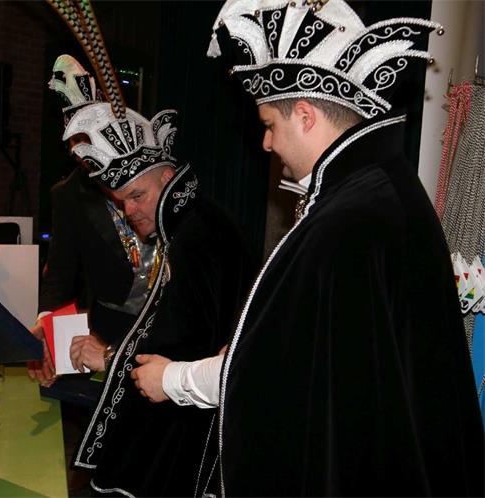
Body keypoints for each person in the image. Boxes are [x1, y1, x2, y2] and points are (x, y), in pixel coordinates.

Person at [131, 1, 484, 495]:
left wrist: (172, 380)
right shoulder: (383, 185)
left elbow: (277, 378)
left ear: (304, 114)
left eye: (269, 125)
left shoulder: (346, 219)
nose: (266, 144)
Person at [63, 100, 256, 496]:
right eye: (121, 201)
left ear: (168, 178)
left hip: (190, 424)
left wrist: (110, 357)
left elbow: (185, 343)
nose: (129, 210)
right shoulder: (196, 222)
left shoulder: (196, 236)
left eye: (137, 195)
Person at [29, 55, 154, 385]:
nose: (81, 150)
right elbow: (60, 269)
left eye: (88, 137)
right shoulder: (68, 195)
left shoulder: (152, 172)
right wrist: (47, 320)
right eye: (75, 140)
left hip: (165, 319)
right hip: (111, 327)